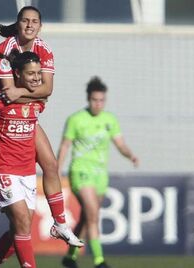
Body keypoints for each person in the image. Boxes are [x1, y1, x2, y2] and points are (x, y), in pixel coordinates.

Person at [0, 5, 83, 249]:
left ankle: (60, 224)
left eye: (34, 21)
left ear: (40, 26)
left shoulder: (45, 49)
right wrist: (31, 94)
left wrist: (21, 91)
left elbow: (46, 89)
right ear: (18, 24)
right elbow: (7, 95)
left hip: (20, 113)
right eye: (25, 21)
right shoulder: (5, 49)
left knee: (51, 164)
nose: (30, 25)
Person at [57, 77, 139, 268]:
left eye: (102, 100)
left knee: (88, 217)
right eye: (95, 100)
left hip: (100, 175)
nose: (98, 104)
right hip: (80, 171)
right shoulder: (76, 119)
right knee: (93, 214)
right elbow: (64, 146)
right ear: (88, 99)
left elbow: (120, 144)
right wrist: (56, 171)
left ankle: (70, 257)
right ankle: (99, 261)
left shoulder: (109, 119)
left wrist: (131, 156)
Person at [0, 50, 45, 268]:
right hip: (4, 169)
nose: (37, 78)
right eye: (31, 74)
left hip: (27, 171)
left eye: (39, 73)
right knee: (22, 222)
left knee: (19, 227)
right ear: (17, 74)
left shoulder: (39, 100)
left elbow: (44, 94)